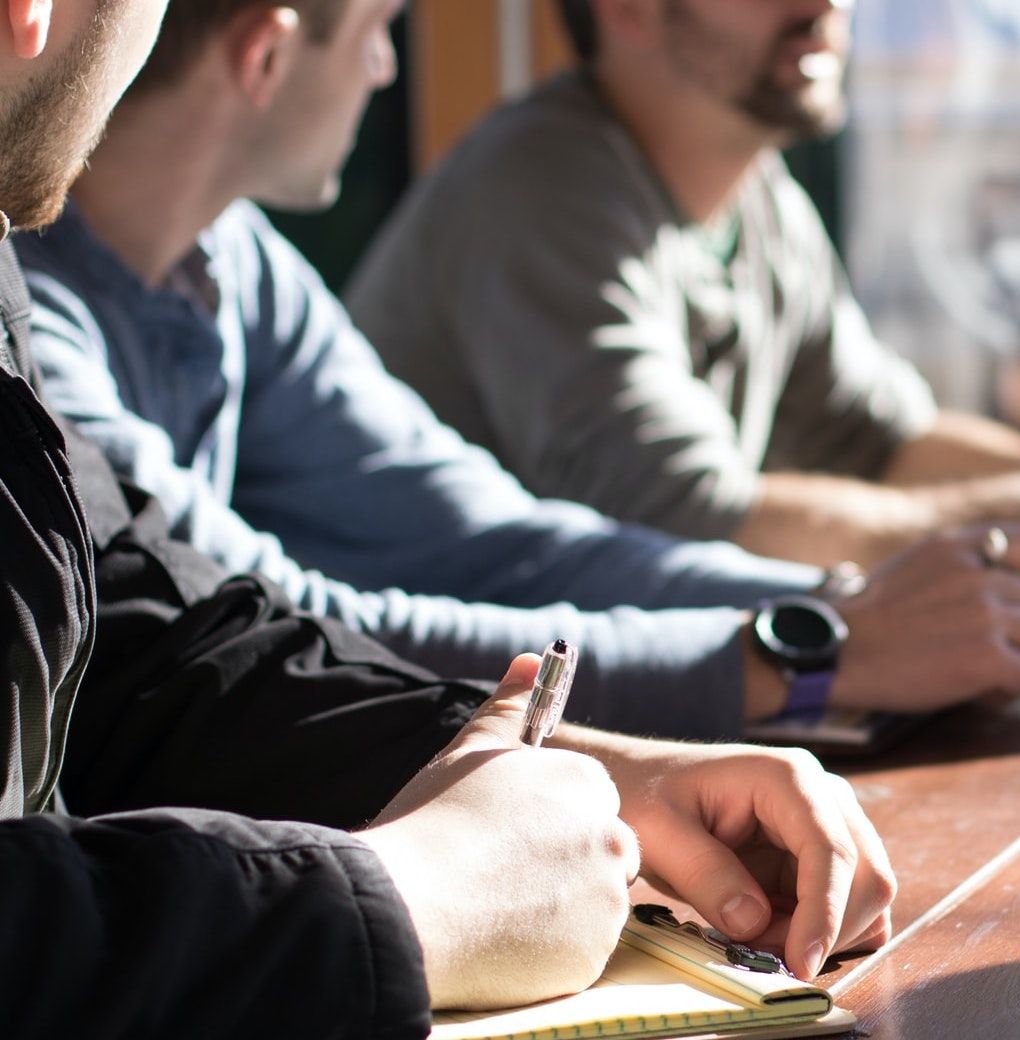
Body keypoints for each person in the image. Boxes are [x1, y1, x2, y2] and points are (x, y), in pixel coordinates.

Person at [0, 2, 893, 1033]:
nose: (389, 67)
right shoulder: (541, 181)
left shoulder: (174, 263)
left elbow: (154, 641)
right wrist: (408, 894)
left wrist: (564, 769)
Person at [22, 0, 1020, 741]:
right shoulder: (36, 331)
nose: (390, 68)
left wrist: (831, 602)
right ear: (263, 57)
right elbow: (271, 633)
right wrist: (808, 650)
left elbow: (487, 536)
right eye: (387, 26)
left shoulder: (231, 260)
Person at [345, 0, 1020, 575]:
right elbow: (689, 522)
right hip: (447, 728)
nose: (829, 2)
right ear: (629, 8)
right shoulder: (539, 188)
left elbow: (878, 437)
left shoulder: (755, 191)